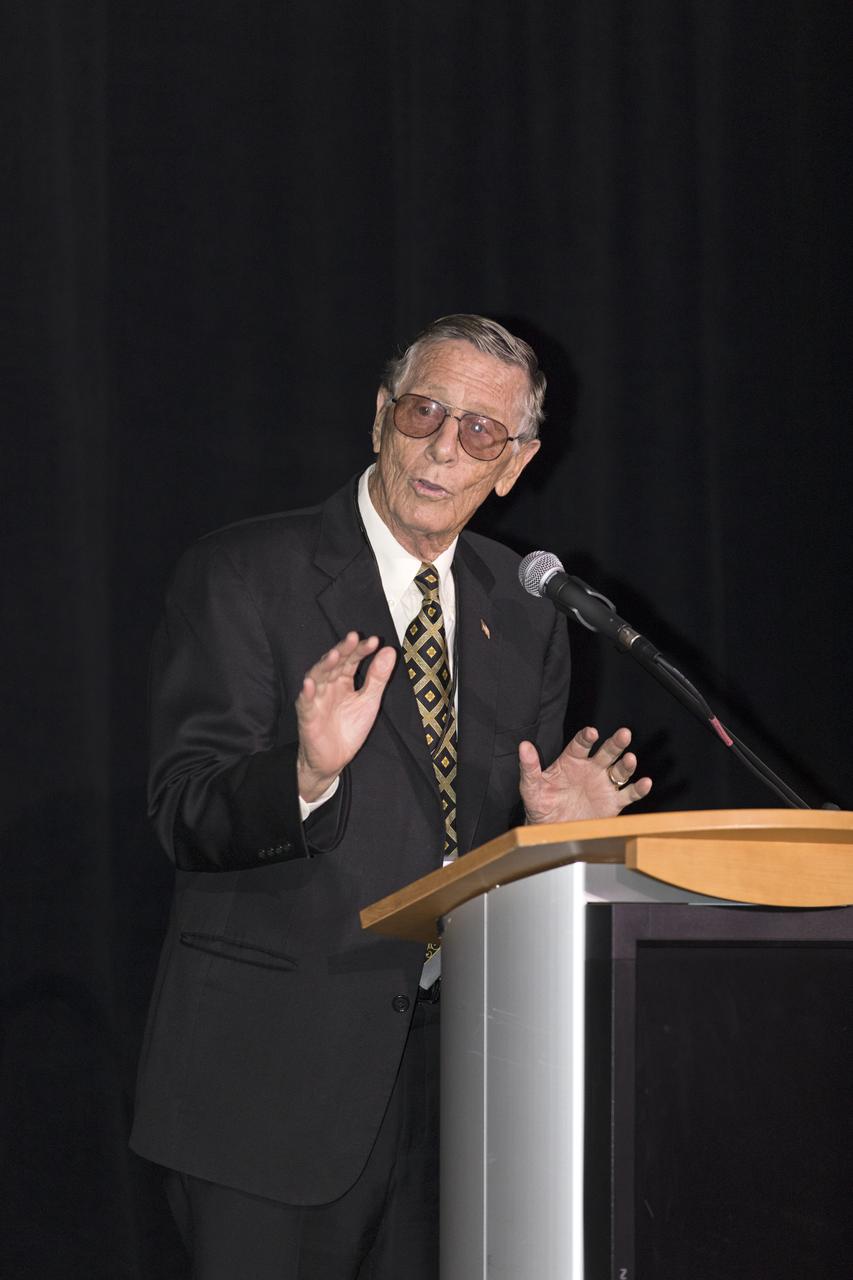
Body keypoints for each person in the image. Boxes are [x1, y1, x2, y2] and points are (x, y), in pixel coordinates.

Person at [131, 314, 651, 1279]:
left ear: (515, 463)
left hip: (456, 1091)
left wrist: (553, 842)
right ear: (380, 416)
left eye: (479, 431)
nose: (443, 448)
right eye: (424, 411)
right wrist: (304, 774)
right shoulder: (246, 572)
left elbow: (481, 853)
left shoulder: (525, 610)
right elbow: (183, 811)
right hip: (268, 1087)